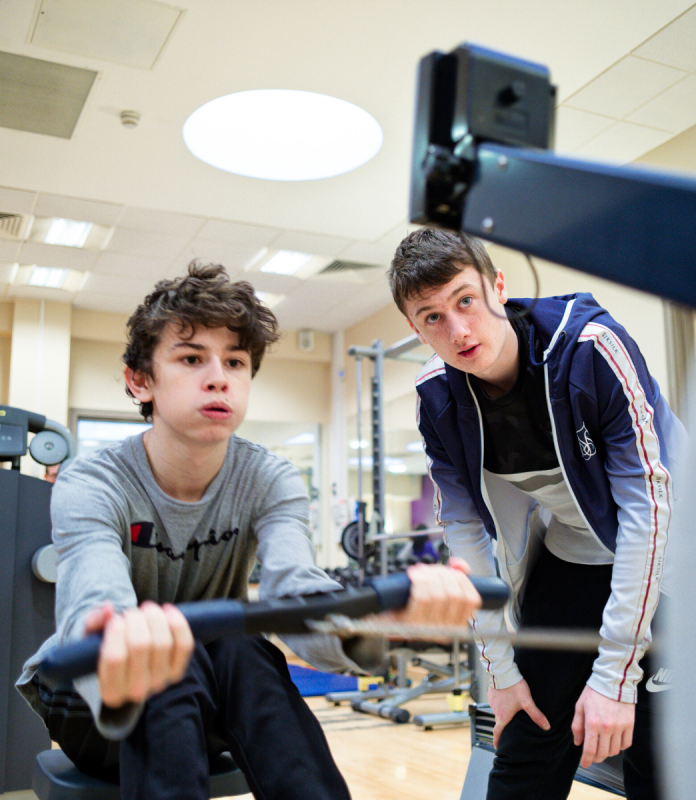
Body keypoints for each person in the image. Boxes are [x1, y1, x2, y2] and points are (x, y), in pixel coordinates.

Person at [17, 261, 482, 800]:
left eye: (234, 362)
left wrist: (377, 615)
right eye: (192, 359)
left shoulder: (268, 477)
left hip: (212, 692)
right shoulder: (92, 481)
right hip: (96, 699)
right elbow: (91, 599)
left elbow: (295, 589)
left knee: (245, 649)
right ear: (139, 380)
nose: (219, 376)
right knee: (178, 651)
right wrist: (125, 639)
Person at [388, 229, 686, 800]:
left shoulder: (592, 349)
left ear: (498, 287)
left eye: (465, 301)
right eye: (432, 318)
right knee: (528, 737)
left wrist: (615, 676)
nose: (458, 331)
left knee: (660, 762)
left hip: (675, 555)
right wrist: (501, 677)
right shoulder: (438, 399)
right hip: (573, 555)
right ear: (414, 327)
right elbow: (465, 535)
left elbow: (647, 513)